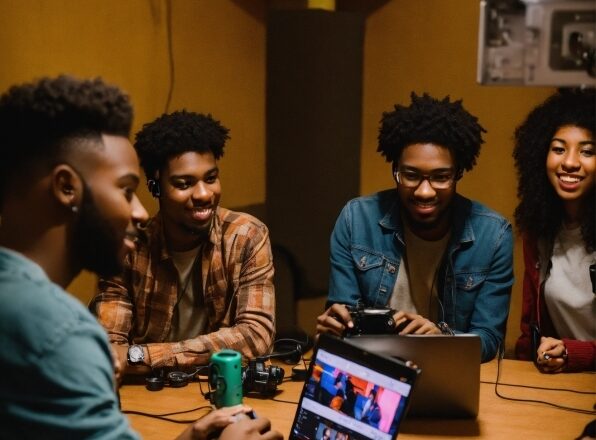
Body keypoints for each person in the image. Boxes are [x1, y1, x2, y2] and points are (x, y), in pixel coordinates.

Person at [0, 75, 281, 440]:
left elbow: (255, 334)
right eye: (126, 190)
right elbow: (107, 346)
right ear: (66, 187)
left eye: (211, 178)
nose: (137, 213)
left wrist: (189, 437)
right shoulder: (63, 336)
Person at [316, 92, 513, 362]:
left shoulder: (494, 235)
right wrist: (336, 327)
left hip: (448, 369)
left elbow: (489, 339)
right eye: (410, 176)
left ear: (459, 173)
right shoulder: (356, 219)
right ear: (395, 170)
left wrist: (441, 340)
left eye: (441, 177)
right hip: (375, 367)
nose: (424, 192)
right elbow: (343, 314)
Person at [90, 110, 275, 374]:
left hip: (220, 393)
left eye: (210, 179)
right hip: (146, 396)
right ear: (156, 188)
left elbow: (257, 336)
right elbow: (109, 352)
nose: (203, 194)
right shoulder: (129, 248)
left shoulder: (247, 236)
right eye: (184, 183)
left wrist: (144, 355)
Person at [513, 89, 595, 373]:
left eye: (587, 151)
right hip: (563, 385)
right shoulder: (540, 230)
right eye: (559, 149)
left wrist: (575, 353)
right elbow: (530, 330)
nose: (570, 162)